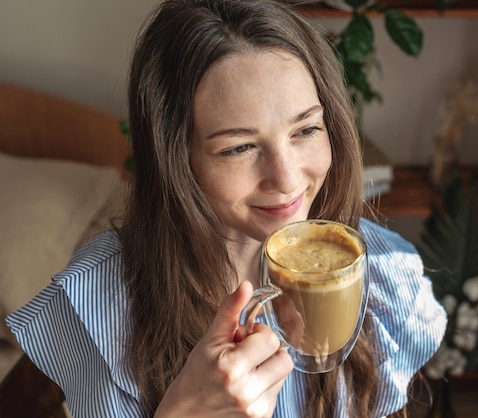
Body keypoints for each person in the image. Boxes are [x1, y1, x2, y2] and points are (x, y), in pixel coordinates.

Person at [7, 0, 446, 417]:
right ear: (176, 159)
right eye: (239, 147)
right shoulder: (101, 301)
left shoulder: (383, 275)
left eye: (307, 128)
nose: (288, 179)